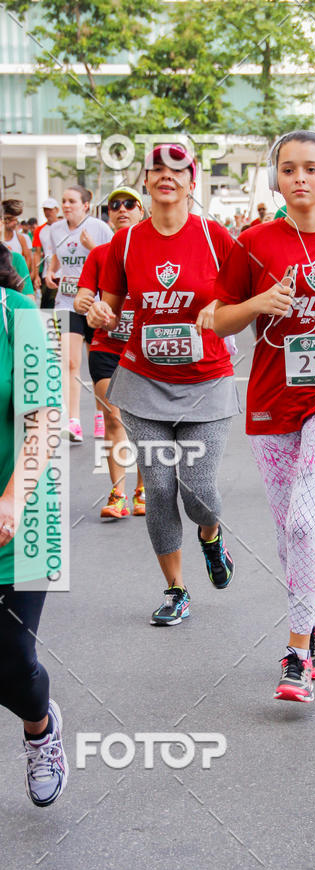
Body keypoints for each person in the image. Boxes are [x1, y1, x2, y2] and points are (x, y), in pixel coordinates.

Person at [209, 130, 315, 703]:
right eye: (288, 169)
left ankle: (296, 649)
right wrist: (256, 305)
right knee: (288, 535)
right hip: (271, 399)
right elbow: (217, 318)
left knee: (306, 522)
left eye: (311, 168)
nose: (300, 178)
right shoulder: (254, 242)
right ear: (275, 178)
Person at [88, 143, 237, 626]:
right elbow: (109, 307)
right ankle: (176, 589)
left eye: (177, 170)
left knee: (198, 489)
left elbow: (248, 294)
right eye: (156, 170)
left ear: (192, 183)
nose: (165, 176)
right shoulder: (126, 243)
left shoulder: (215, 236)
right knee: (157, 485)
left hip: (206, 381)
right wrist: (100, 311)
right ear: (147, 182)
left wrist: (222, 311)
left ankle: (211, 536)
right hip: (144, 382)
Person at [0, 244, 68, 806]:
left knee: (13, 665)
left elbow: (46, 420)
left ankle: (40, 728)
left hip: (19, 520)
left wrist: (13, 499)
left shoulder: (20, 314)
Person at [73, 187, 145, 518]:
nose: (121, 209)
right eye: (114, 205)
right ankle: (117, 495)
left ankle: (143, 490)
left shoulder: (153, 251)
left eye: (130, 204)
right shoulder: (99, 254)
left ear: (142, 211)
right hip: (106, 346)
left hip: (145, 350)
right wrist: (86, 302)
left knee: (145, 423)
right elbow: (81, 296)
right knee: (114, 418)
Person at [45, 186, 113, 441]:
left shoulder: (100, 228)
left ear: (86, 205)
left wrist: (91, 246)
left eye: (72, 201)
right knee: (69, 362)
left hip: (94, 304)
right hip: (66, 302)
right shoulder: (55, 229)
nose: (66, 205)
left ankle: (100, 415)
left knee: (96, 365)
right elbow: (55, 259)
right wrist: (50, 274)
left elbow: (111, 262)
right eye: (64, 201)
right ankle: (72, 420)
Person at [32, 199, 60, 309]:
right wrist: (36, 275)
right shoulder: (40, 230)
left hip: (63, 274)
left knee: (60, 306)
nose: (48, 212)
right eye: (45, 210)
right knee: (46, 306)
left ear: (57, 210)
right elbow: (37, 253)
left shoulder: (65, 227)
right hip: (46, 274)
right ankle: (48, 326)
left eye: (50, 210)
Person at [2, 199, 33, 274]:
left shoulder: (20, 238)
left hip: (16, 280)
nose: (15, 223)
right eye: (12, 219)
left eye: (16, 219)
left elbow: (28, 258)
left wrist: (22, 275)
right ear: (5, 220)